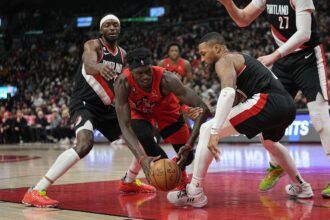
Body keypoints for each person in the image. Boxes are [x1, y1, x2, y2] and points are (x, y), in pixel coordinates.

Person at [167, 32, 313, 208]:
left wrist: (215, 132)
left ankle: (194, 192)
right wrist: (212, 112)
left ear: (217, 48)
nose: (202, 58)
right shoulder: (242, 62)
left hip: (267, 101)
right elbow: (236, 100)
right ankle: (302, 186)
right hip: (287, 107)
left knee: (206, 130)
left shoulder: (225, 60)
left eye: (203, 53)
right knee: (269, 143)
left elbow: (227, 93)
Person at [22, 14, 154, 208]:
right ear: (102, 29)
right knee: (85, 144)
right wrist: (99, 66)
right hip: (84, 104)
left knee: (141, 138)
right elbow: (90, 64)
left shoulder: (123, 54)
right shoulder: (93, 45)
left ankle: (129, 182)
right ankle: (36, 190)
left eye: (115, 25)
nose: (112, 28)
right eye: (107, 25)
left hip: (107, 107)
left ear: (119, 29)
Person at [217, 0, 330, 198]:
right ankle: (279, 167)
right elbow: (243, 19)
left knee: (320, 117)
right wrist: (229, 4)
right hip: (283, 62)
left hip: (308, 59)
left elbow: (304, 33)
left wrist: (274, 55)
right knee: (269, 116)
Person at [114, 48, 210, 190]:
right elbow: (125, 126)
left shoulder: (167, 78)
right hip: (140, 112)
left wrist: (189, 145)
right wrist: (142, 159)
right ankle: (175, 176)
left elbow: (204, 109)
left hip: (166, 110)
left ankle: (179, 172)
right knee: (143, 135)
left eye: (148, 71)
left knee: (188, 157)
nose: (145, 76)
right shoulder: (123, 82)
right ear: (130, 71)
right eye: (140, 73)